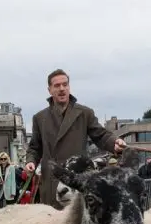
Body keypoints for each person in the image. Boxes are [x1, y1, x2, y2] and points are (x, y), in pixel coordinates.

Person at [25, 69, 127, 209]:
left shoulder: (85, 113)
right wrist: (31, 161)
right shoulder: (40, 118)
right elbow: (35, 147)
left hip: (77, 182)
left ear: (69, 87)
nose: (62, 89)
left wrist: (114, 143)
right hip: (51, 183)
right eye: (57, 85)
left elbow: (101, 135)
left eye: (65, 84)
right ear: (49, 90)